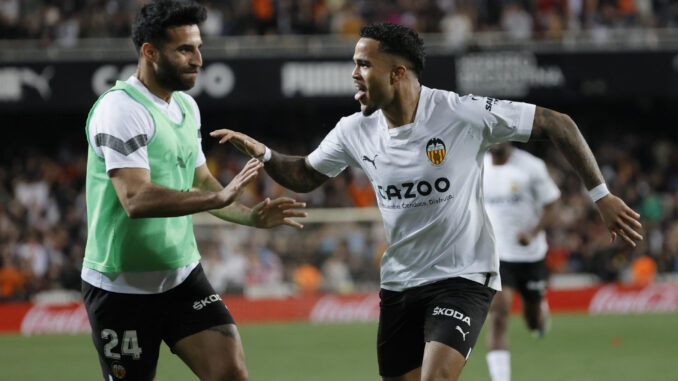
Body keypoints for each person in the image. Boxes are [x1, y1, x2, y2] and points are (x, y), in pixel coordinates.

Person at [211, 22, 643, 381]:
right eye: (353, 64)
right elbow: (304, 175)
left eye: (364, 64)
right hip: (400, 282)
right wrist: (265, 155)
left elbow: (558, 124)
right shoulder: (353, 130)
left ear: (398, 72)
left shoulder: (461, 113)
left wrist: (600, 195)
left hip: (464, 274)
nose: (354, 75)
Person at [81, 1, 306, 380]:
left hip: (182, 277)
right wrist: (216, 199)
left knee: (231, 373)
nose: (198, 59)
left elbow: (202, 181)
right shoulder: (120, 109)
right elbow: (135, 199)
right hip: (121, 289)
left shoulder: (186, 106)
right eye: (185, 49)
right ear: (150, 52)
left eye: (199, 47)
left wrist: (249, 216)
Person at [482, 142, 560, 381]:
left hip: (530, 255)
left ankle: (540, 314)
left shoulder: (531, 167)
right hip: (498, 255)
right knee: (498, 316)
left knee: (533, 322)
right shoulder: (476, 164)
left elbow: (552, 206)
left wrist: (533, 233)